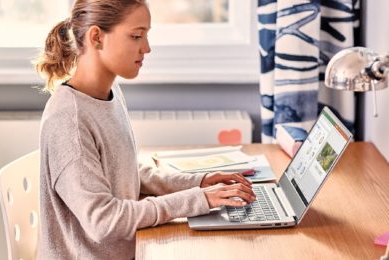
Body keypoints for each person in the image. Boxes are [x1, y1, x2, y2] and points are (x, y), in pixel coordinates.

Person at [34, 1, 256, 259]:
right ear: (96, 37)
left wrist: (198, 183)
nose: (146, 47)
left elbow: (124, 171)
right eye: (136, 36)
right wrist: (198, 200)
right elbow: (104, 221)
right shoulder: (68, 120)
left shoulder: (109, 92)